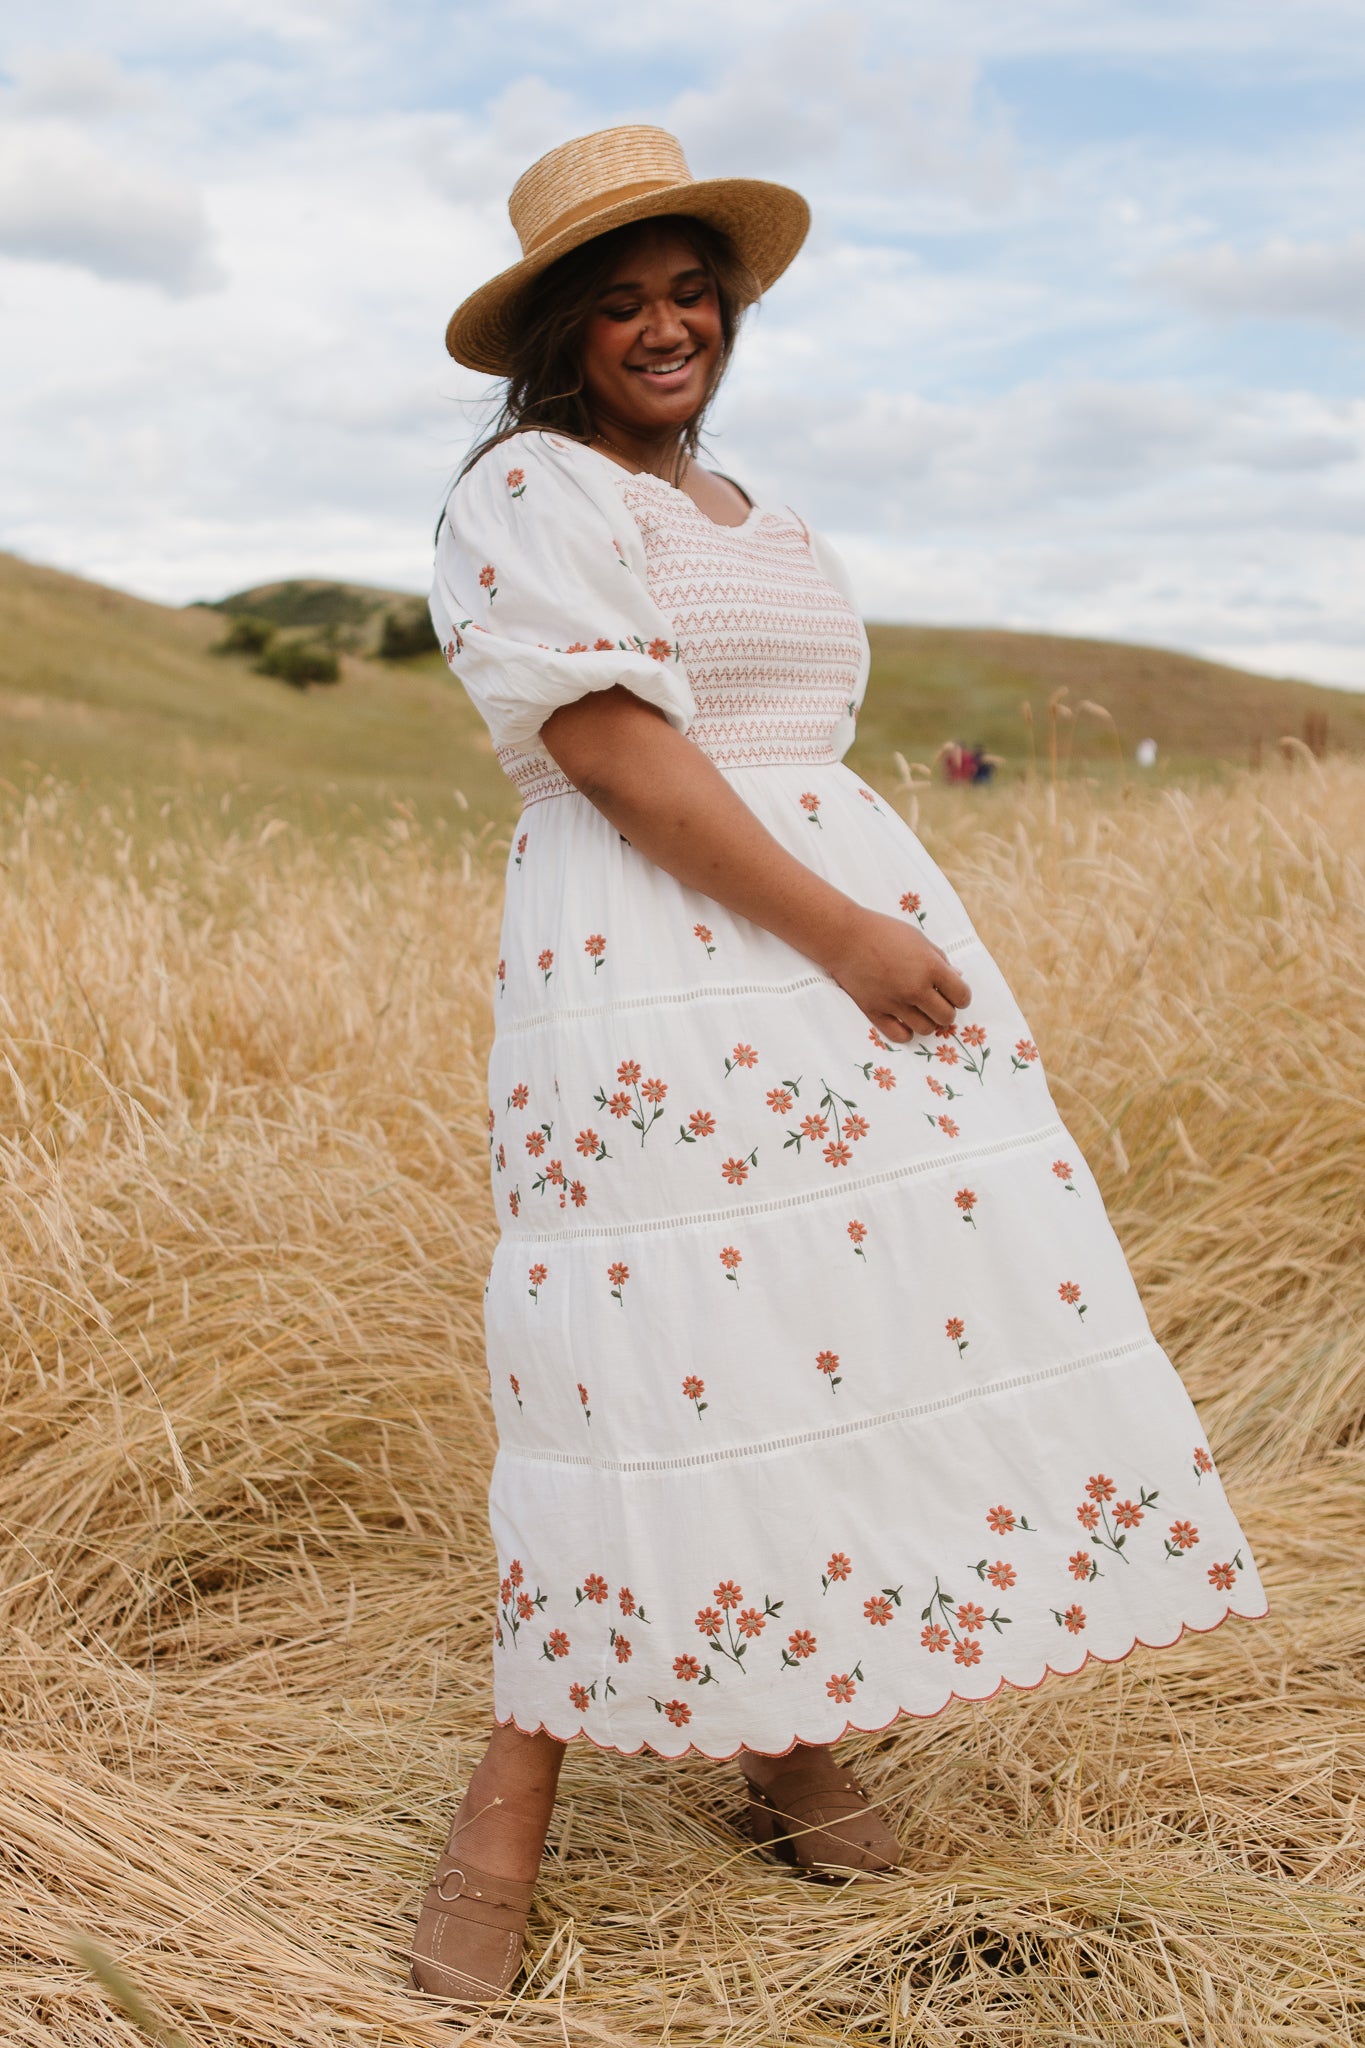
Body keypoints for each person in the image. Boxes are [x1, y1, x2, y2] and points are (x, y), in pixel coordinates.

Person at [413, 124, 1265, 2005]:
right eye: (620, 303)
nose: (665, 326)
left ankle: (782, 1724)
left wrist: (861, 940)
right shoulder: (530, 491)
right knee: (637, 1361)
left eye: (688, 293)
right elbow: (621, 758)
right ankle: (510, 1800)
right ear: (559, 334)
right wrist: (849, 935)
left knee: (825, 1327)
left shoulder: (754, 514)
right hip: (667, 959)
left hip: (815, 961)